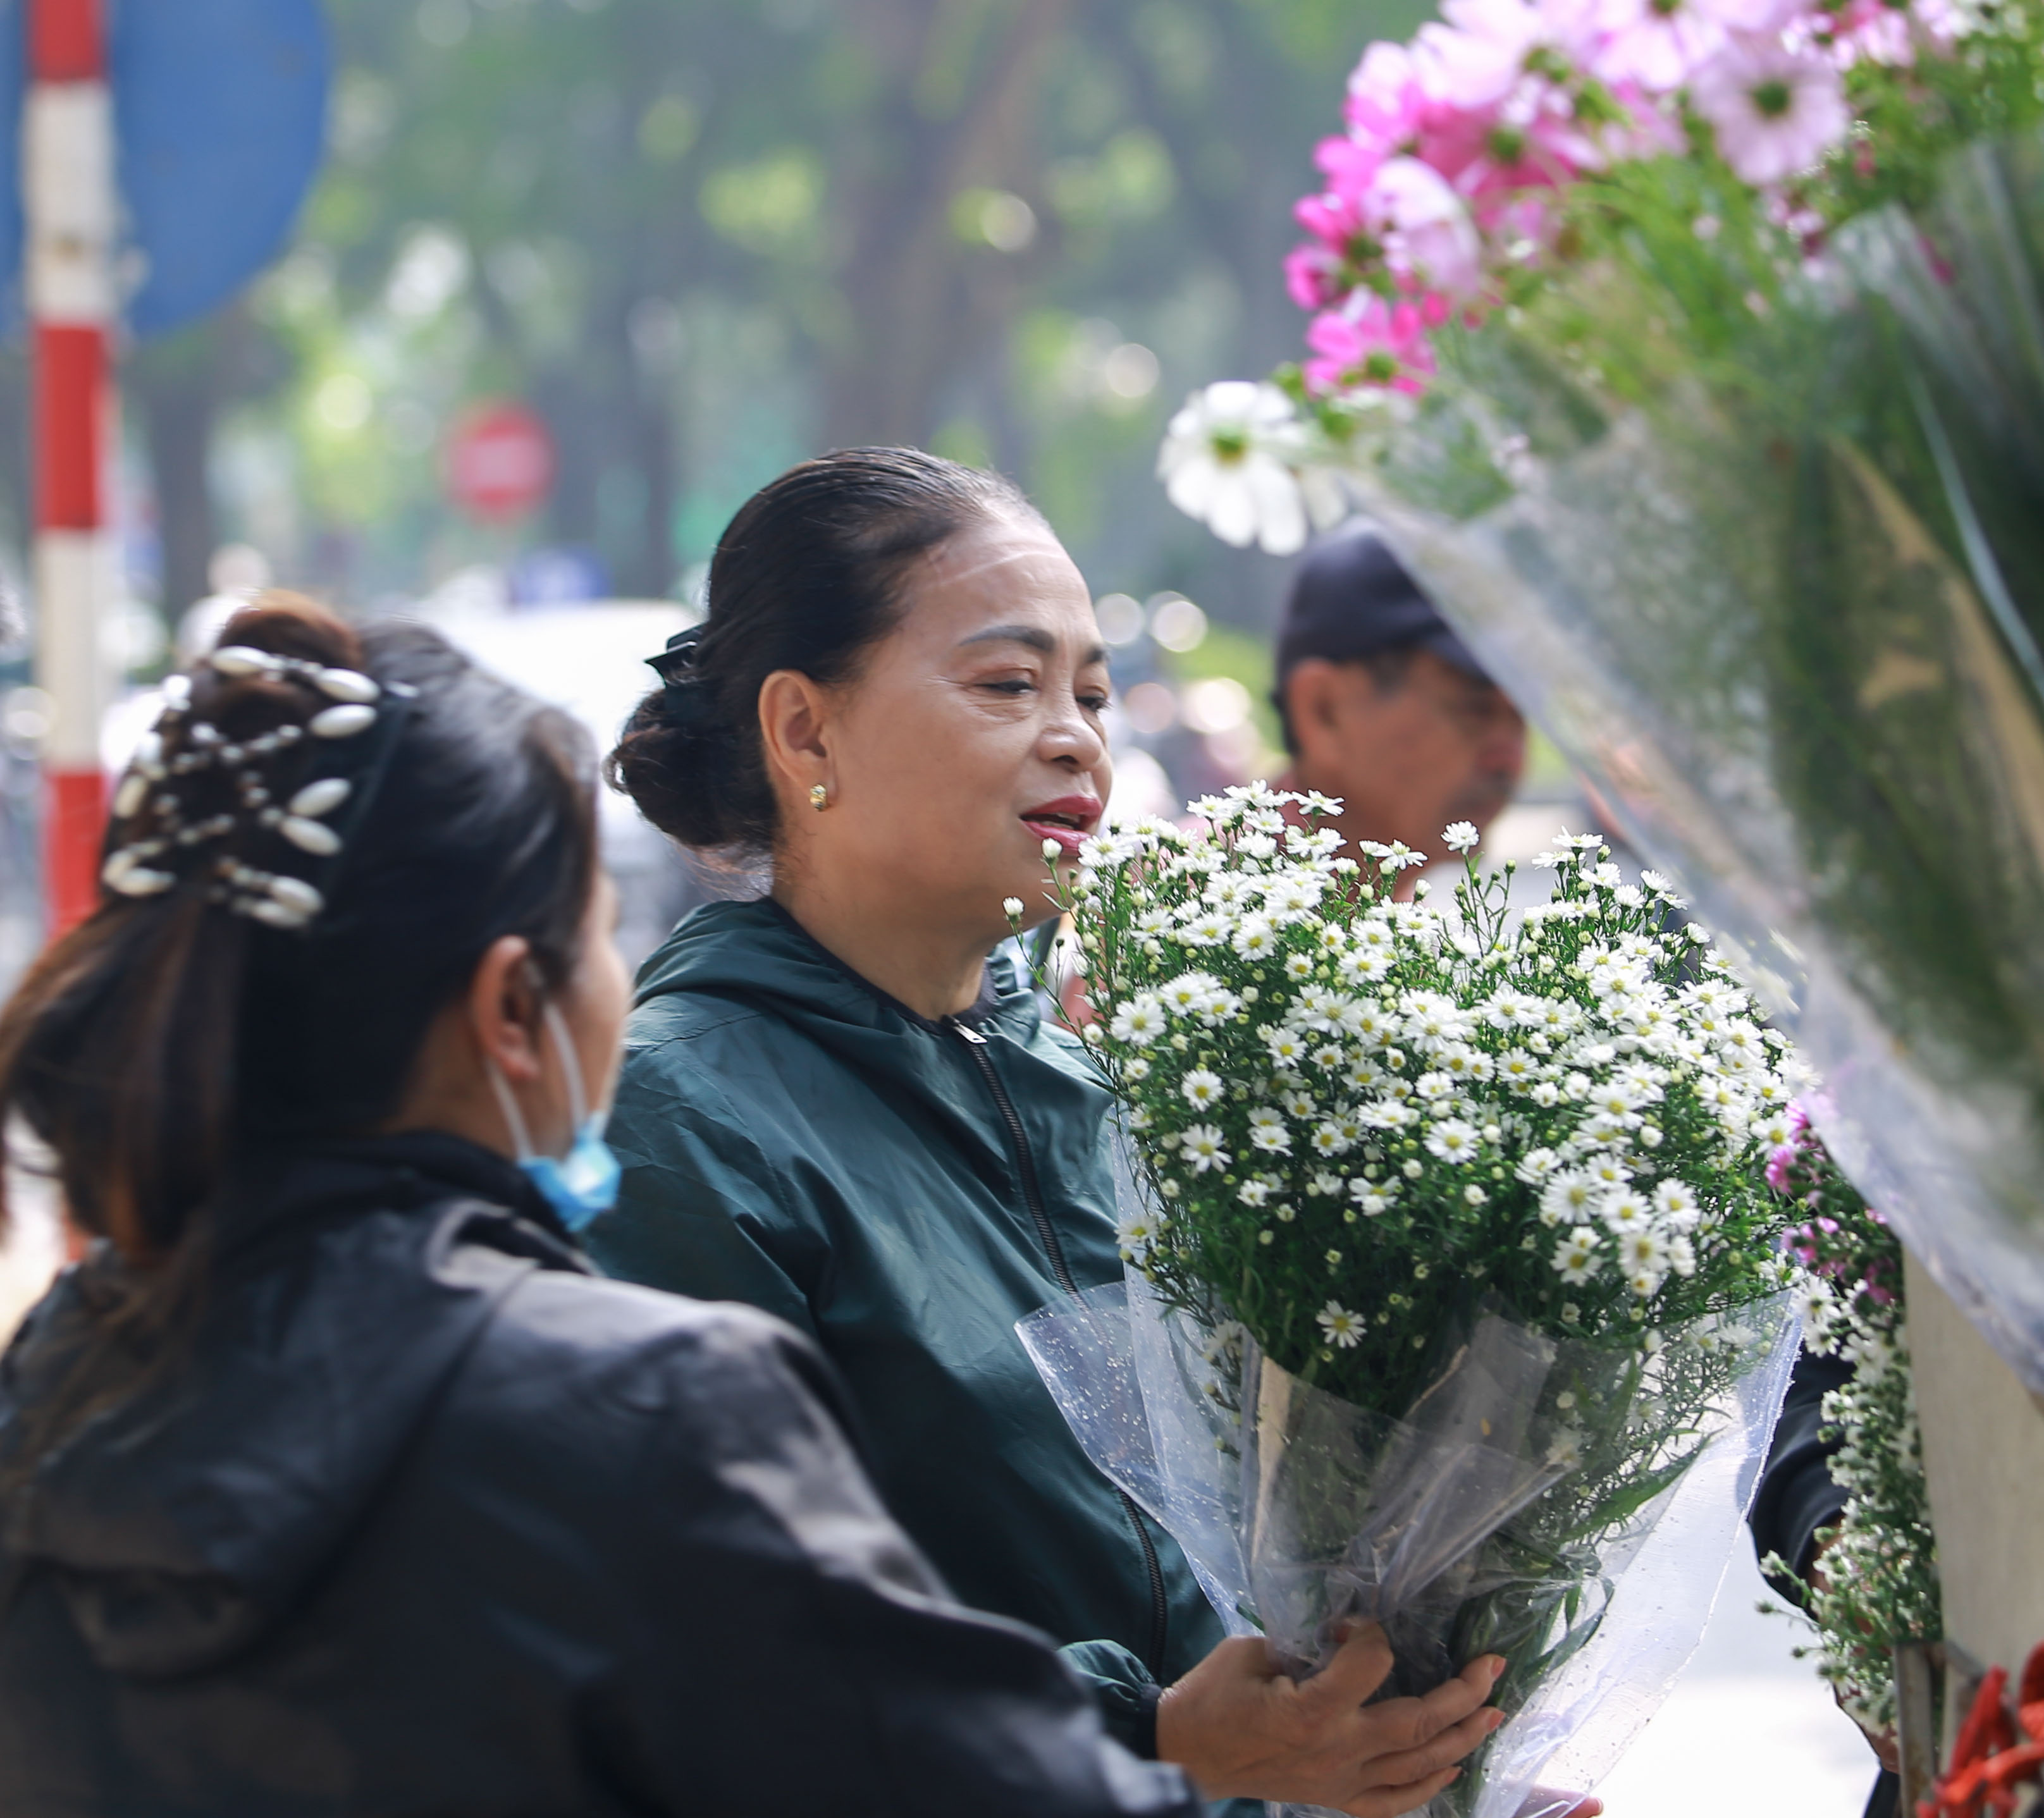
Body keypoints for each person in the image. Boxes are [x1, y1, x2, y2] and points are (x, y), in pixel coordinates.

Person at [0, 599, 1247, 1815]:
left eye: (1085, 689)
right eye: (598, 931)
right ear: (509, 1014)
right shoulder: (645, 1403)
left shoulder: (54, 1373)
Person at [591, 449, 1522, 1818]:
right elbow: (718, 1651)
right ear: (804, 735)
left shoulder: (1108, 1073)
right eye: (1005, 684)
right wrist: (1136, 1735)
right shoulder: (683, 1123)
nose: (1079, 735)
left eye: (1088, 689)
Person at [1269, 521, 1529, 895]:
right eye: (1474, 708)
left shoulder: (1389, 926)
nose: (1509, 760)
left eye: (1524, 713)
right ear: (1324, 712)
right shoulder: (1179, 922)